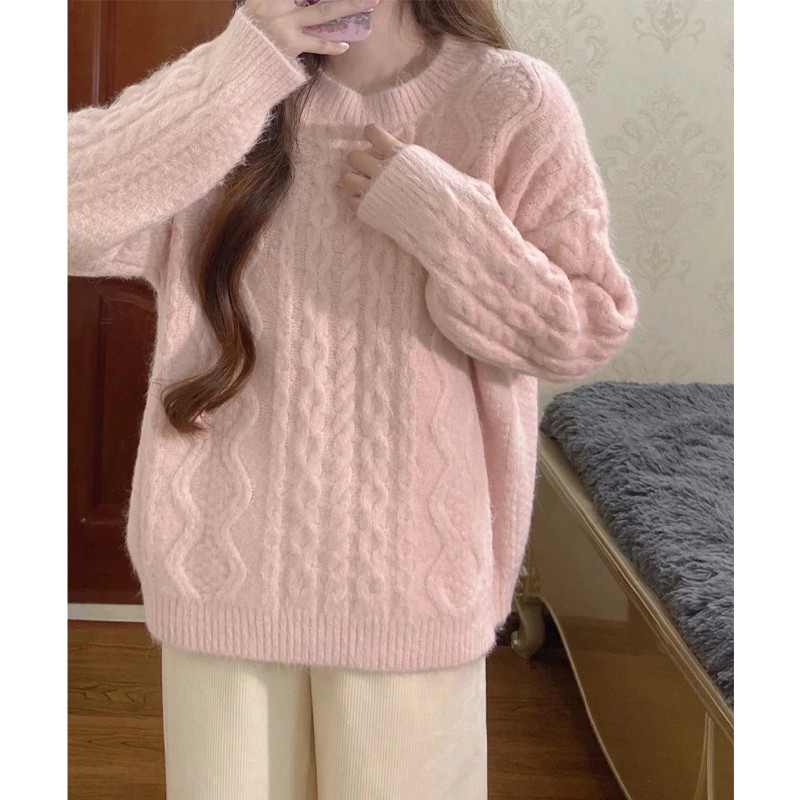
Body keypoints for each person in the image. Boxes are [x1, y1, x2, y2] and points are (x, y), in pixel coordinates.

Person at [67, 0, 639, 797]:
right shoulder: (230, 93)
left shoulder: (509, 99)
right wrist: (236, 74)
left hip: (413, 582)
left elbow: (578, 332)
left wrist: (446, 221)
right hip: (221, 572)